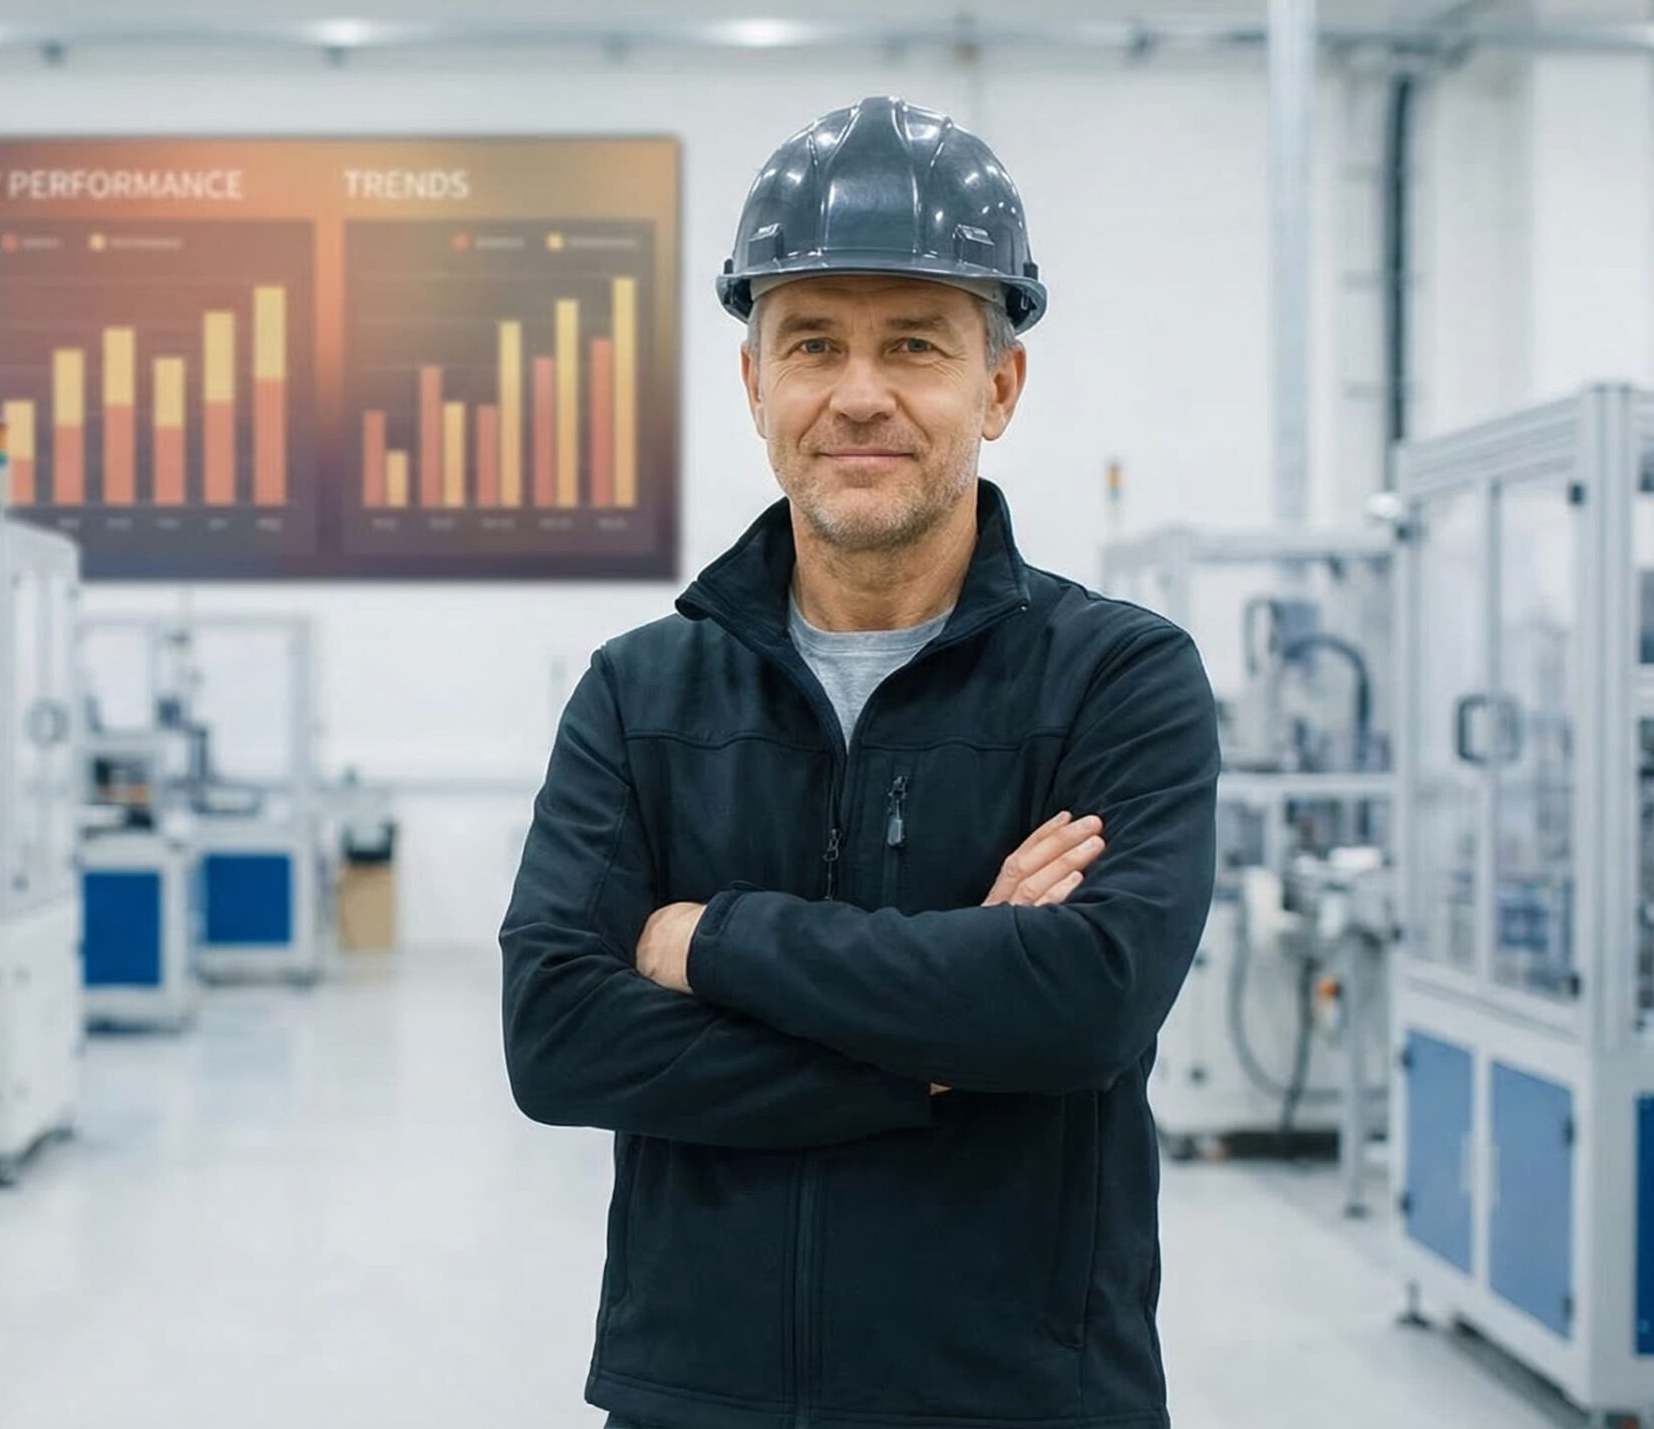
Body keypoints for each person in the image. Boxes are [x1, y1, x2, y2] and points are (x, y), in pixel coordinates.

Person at [498, 96, 1219, 1429]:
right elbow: (557, 1038)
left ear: (998, 387)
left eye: (916, 344)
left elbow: (1087, 1005)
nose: (860, 393)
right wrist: (931, 1054)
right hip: (697, 1398)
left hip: (1022, 1399)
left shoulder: (1117, 679)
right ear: (755, 386)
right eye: (814, 343)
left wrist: (710, 939)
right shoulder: (642, 693)